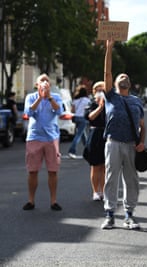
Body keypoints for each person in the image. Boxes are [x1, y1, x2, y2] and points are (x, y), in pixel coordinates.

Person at [101, 39, 146, 230]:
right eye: (120, 76)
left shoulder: (137, 101)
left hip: (130, 144)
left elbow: (143, 126)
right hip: (113, 142)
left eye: (126, 76)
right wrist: (109, 49)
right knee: (111, 178)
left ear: (130, 83)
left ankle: (129, 215)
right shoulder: (111, 96)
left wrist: (142, 142)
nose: (123, 76)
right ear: (116, 82)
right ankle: (110, 215)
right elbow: (107, 72)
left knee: (131, 180)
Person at [22, 74, 63, 211]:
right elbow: (29, 112)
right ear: (36, 84)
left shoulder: (55, 97)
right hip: (34, 137)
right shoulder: (31, 97)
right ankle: (31, 200)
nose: (45, 83)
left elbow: (59, 111)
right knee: (32, 171)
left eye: (47, 81)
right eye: (42, 81)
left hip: (51, 138)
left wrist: (49, 97)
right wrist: (40, 98)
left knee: (53, 171)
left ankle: (53, 201)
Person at [84, 81, 106, 201]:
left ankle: (103, 190)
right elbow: (90, 117)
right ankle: (95, 191)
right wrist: (100, 106)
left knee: (104, 166)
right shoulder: (91, 104)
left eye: (102, 90)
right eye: (97, 90)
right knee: (95, 165)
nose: (100, 92)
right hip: (95, 135)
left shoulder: (110, 104)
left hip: (106, 135)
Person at [68, 86, 90, 158]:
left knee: (82, 134)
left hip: (76, 117)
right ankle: (72, 150)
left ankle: (88, 150)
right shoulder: (87, 100)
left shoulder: (75, 100)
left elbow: (72, 111)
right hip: (83, 118)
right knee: (79, 135)